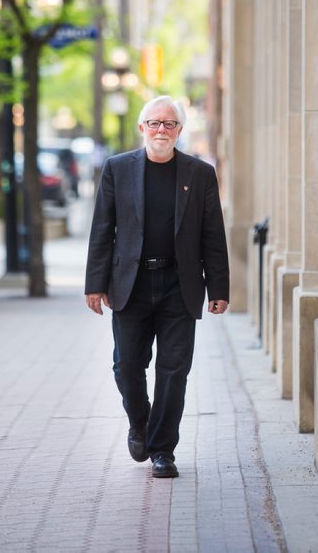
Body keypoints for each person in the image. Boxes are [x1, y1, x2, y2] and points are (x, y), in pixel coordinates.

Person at [84, 95, 229, 478]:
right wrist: (94, 285)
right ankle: (141, 423)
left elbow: (213, 234)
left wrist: (219, 288)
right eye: (155, 123)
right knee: (126, 365)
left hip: (178, 285)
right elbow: (102, 229)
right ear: (142, 128)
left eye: (169, 124)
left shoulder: (199, 174)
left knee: (173, 370)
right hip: (130, 284)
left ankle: (163, 450)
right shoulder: (118, 169)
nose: (161, 130)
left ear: (179, 130)